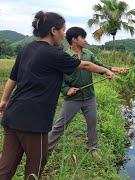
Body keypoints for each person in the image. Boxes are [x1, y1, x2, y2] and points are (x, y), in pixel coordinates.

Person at [0, 11, 114, 179]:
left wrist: (4, 100)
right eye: (62, 30)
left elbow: (13, 78)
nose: (63, 34)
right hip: (33, 121)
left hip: (12, 115)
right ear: (53, 30)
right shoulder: (54, 54)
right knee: (36, 165)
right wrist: (106, 71)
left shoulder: (27, 48)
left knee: (6, 167)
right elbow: (86, 65)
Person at [48, 27, 127, 158]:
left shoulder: (88, 54)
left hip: (89, 96)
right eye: (83, 37)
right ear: (74, 39)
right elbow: (57, 77)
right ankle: (46, 149)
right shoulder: (65, 56)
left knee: (92, 123)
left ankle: (92, 147)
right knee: (60, 126)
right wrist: (66, 89)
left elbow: (98, 65)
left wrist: (114, 69)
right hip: (73, 98)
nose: (85, 40)